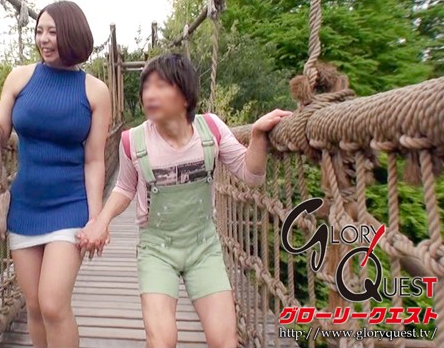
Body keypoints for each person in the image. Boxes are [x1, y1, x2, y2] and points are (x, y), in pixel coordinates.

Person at [78, 53, 291, 348]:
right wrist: (101, 221)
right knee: (162, 341)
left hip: (203, 247)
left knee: (224, 341)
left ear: (186, 96)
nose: (150, 94)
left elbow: (250, 175)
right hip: (157, 250)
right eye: (146, 86)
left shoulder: (211, 130)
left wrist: (257, 135)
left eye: (161, 85)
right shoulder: (132, 141)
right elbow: (125, 188)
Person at [0, 0, 111, 347]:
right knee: (34, 306)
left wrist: (96, 219)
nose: (43, 39)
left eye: (53, 32)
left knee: (53, 305)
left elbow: (94, 160)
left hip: (70, 207)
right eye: (39, 31)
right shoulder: (20, 77)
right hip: (26, 207)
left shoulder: (95, 90)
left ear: (73, 35)